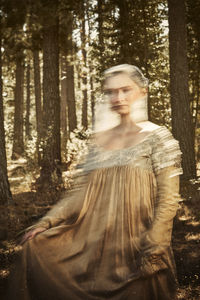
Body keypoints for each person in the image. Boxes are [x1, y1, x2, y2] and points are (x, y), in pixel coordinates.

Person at [8, 64, 182, 300]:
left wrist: (156, 243)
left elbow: (168, 199)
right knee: (33, 250)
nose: (118, 97)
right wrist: (47, 222)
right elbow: (79, 195)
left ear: (142, 91)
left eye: (125, 90)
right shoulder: (98, 141)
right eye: (111, 92)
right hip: (95, 243)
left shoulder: (158, 138)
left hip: (137, 243)